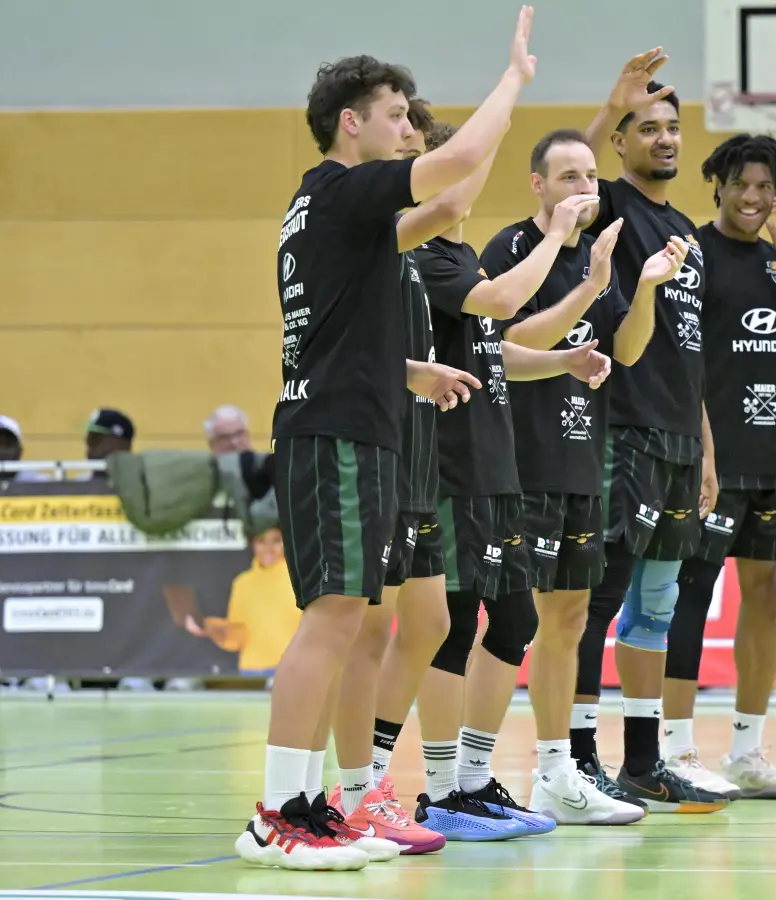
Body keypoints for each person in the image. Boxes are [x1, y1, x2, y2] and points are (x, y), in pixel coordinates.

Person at [241, 11, 537, 870]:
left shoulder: (331, 214)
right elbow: (453, 171)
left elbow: (338, 328)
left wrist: (409, 374)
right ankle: (278, 815)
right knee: (333, 620)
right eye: (396, 115)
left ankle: (314, 805)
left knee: (345, 623)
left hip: (347, 426)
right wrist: (514, 80)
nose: (408, 129)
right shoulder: (343, 191)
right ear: (352, 122)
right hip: (336, 435)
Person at [403, 119, 615, 842]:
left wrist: (564, 361)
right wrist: (560, 243)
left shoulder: (460, 256)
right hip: (453, 466)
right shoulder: (426, 259)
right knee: (455, 624)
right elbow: (501, 307)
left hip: (498, 469)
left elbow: (496, 350)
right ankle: (439, 792)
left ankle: (473, 781)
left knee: (517, 620)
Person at [487, 128, 684, 824]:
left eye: (590, 177)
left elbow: (626, 350)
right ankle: (468, 774)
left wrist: (647, 287)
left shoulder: (597, 258)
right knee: (513, 622)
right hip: (524, 462)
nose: (583, 188)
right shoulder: (512, 249)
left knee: (569, 618)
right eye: (568, 176)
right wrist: (589, 287)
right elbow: (509, 343)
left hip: (583, 460)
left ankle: (555, 772)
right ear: (537, 184)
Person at [321, 100, 494, 857]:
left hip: (419, 455)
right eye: (402, 137)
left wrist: (416, 373)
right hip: (376, 450)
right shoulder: (382, 241)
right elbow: (336, 350)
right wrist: (510, 96)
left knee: (430, 623)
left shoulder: (414, 257)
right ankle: (352, 791)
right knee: (363, 631)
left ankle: (371, 783)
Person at [562, 52, 728, 814]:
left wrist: (706, 450)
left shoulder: (686, 230)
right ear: (621, 143)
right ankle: (574, 760)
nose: (664, 139)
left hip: (678, 440)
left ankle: (642, 762)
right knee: (597, 601)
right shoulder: (612, 208)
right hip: (622, 432)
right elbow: (571, 182)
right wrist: (610, 103)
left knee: (657, 604)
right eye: (647, 128)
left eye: (672, 128)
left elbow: (690, 352)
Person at [660, 134, 776, 801]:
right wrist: (698, 448)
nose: (753, 197)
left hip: (770, 459)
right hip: (709, 460)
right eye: (741, 184)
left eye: (766, 187)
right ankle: (675, 750)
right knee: (691, 595)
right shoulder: (693, 256)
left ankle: (746, 752)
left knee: (767, 592)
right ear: (719, 186)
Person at [186, 527, 303, 676]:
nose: (268, 549)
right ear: (252, 544)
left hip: (293, 670)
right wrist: (210, 628)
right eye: (261, 541)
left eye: (276, 541)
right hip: (251, 671)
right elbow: (237, 637)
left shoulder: (301, 579)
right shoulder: (242, 583)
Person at [85, 408, 135, 479]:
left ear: (122, 445)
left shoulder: (144, 484)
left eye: (97, 438)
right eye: (89, 438)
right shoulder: (78, 483)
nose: (89, 444)